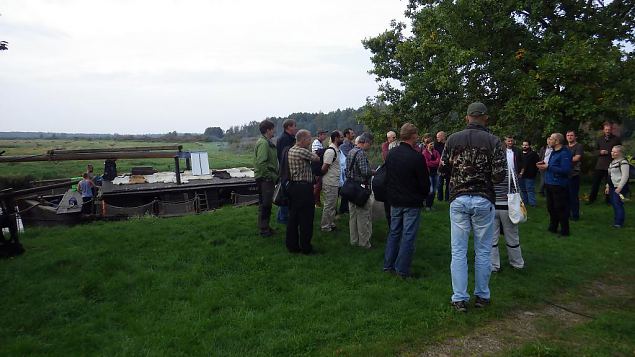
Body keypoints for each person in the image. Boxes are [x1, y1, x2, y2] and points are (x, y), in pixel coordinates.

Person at [439, 102, 506, 313]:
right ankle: (482, 296)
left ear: (467, 117)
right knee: (483, 251)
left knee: (458, 251)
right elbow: (499, 175)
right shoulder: (494, 141)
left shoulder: (452, 139)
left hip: (458, 198)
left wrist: (458, 176)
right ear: (485, 118)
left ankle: (459, 298)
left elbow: (442, 170)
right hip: (483, 198)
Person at [383, 123, 429, 278]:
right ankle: (402, 270)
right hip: (411, 201)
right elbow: (424, 183)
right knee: (408, 235)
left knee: (394, 232)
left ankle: (388, 265)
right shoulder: (417, 157)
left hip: (395, 200)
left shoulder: (391, 154)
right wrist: (423, 196)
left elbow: (387, 177)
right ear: (414, 136)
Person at [285, 129, 319, 254]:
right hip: (303, 189)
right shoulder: (301, 151)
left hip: (294, 187)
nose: (310, 141)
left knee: (294, 217)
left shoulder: (292, 149)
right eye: (309, 139)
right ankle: (306, 247)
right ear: (303, 140)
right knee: (306, 218)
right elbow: (316, 158)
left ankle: (292, 246)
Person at [490, 165, 525, 272]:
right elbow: (516, 188)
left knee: (491, 238)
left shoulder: (488, 169)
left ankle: (493, 265)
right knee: (512, 236)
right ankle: (517, 263)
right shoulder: (510, 169)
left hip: (491, 206)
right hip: (508, 207)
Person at [537, 133, 572, 236]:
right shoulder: (553, 152)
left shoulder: (565, 153)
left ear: (557, 141)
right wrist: (543, 164)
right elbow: (551, 164)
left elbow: (566, 170)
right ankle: (553, 227)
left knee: (560, 208)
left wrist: (548, 167)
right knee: (551, 207)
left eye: (551, 139)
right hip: (549, 183)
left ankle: (565, 230)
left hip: (559, 185)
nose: (549, 140)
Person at [346, 133, 375, 249]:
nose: (370, 147)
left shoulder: (351, 151)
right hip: (361, 189)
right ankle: (364, 243)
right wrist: (373, 171)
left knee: (353, 216)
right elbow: (365, 172)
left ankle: (354, 240)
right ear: (366, 142)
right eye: (370, 144)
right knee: (363, 216)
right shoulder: (361, 153)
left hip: (351, 188)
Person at [254, 119, 278, 237]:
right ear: (268, 130)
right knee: (266, 204)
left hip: (264, 177)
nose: (274, 131)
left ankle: (265, 227)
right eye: (273, 128)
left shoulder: (265, 141)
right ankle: (264, 230)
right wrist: (270, 176)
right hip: (265, 179)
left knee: (264, 204)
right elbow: (262, 163)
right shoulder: (263, 143)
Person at [588, 122, 621, 204]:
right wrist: (600, 152)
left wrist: (609, 152)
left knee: (609, 184)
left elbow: (620, 150)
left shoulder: (616, 139)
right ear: (603, 130)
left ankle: (609, 201)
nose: (607, 131)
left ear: (611, 130)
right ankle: (591, 199)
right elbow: (594, 151)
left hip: (611, 165)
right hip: (600, 165)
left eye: (609, 129)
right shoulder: (599, 139)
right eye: (606, 129)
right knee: (595, 184)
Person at [320, 130, 343, 232]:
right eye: (341, 137)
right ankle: (325, 226)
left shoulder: (337, 150)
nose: (343, 139)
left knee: (333, 204)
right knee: (329, 205)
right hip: (330, 182)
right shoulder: (331, 151)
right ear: (336, 138)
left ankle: (331, 223)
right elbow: (324, 168)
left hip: (334, 181)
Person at [276, 119, 297, 224]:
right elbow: (285, 156)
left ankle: (282, 216)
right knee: (286, 194)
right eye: (294, 126)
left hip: (285, 170)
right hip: (286, 170)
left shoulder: (286, 137)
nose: (295, 128)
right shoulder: (285, 139)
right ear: (288, 127)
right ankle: (283, 217)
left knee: (286, 193)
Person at [605, 145, 630, 228]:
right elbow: (610, 176)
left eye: (615, 152)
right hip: (612, 186)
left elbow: (625, 176)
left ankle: (619, 223)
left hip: (619, 187)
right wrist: (607, 186)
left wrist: (619, 187)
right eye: (612, 151)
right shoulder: (612, 163)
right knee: (614, 204)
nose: (612, 153)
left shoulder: (623, 162)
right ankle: (616, 221)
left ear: (620, 153)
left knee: (618, 203)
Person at [566, 131, 584, 220]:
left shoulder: (578, 146)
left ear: (575, 137)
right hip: (565, 174)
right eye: (568, 135)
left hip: (574, 174)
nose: (569, 137)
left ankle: (575, 215)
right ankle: (567, 214)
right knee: (566, 196)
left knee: (573, 195)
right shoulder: (565, 147)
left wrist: (565, 159)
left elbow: (577, 158)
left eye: (571, 135)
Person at [338, 128, 356, 214]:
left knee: (348, 189)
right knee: (345, 190)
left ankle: (344, 208)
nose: (353, 134)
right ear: (347, 135)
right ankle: (343, 209)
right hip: (345, 171)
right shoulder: (344, 146)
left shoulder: (351, 144)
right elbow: (349, 157)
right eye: (352, 133)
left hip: (349, 170)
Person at [519, 140, 539, 207]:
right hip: (521, 175)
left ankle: (533, 204)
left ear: (529, 146)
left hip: (530, 175)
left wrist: (534, 172)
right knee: (523, 190)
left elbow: (537, 164)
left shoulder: (533, 154)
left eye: (526, 145)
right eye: (523, 145)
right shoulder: (520, 154)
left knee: (530, 190)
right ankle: (525, 202)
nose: (524, 146)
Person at [422, 138, 440, 210]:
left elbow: (439, 161)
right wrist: (435, 162)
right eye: (431, 144)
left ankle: (431, 205)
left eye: (433, 144)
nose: (432, 145)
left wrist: (433, 163)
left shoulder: (436, 152)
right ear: (427, 144)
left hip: (435, 173)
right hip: (428, 173)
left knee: (434, 190)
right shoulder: (424, 153)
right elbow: (426, 163)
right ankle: (427, 205)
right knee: (430, 190)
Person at [312, 129, 328, 207]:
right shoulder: (316, 142)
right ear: (320, 135)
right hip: (316, 166)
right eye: (324, 134)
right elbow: (318, 152)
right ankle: (315, 202)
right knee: (318, 185)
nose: (325, 136)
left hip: (318, 165)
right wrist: (327, 150)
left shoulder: (320, 143)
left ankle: (317, 202)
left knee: (319, 185)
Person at [435, 131, 450, 201]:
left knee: (448, 184)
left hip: (448, 166)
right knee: (439, 184)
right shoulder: (436, 145)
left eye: (438, 137)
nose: (437, 138)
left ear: (443, 137)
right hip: (440, 167)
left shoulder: (448, 144)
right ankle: (439, 198)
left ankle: (447, 198)